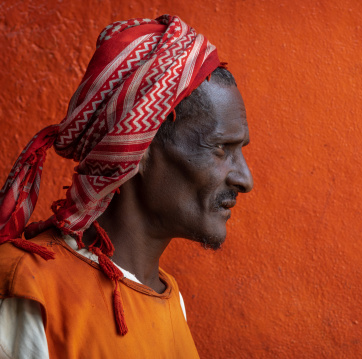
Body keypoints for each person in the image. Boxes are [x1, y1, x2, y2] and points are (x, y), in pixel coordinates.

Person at [0, 15, 253, 358]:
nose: (245, 179)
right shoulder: (29, 288)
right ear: (138, 146)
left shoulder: (168, 298)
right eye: (222, 148)